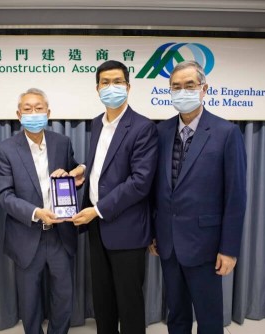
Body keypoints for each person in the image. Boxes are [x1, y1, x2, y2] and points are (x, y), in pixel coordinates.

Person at [149, 60, 247, 334]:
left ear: (204, 89)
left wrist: (229, 249)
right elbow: (156, 189)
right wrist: (153, 231)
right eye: (175, 87)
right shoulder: (161, 132)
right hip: (168, 243)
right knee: (176, 315)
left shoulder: (227, 133)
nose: (182, 92)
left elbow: (236, 197)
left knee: (209, 317)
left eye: (189, 86)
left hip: (205, 245)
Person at [70, 60, 158, 334]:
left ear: (128, 87)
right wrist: (85, 169)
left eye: (117, 82)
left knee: (129, 303)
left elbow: (140, 182)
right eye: (105, 82)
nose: (111, 87)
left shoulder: (143, 127)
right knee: (103, 301)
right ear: (97, 88)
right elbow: (105, 164)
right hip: (98, 229)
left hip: (127, 229)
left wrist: (97, 210)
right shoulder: (97, 123)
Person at [0, 88, 82, 334]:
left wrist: (78, 172)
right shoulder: (5, 149)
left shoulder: (62, 143)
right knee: (29, 301)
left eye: (39, 108)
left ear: (48, 112)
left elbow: (74, 173)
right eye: (28, 109)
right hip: (26, 234)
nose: (34, 113)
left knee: (63, 297)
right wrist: (36, 212)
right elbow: (3, 195)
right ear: (18, 114)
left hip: (60, 235)